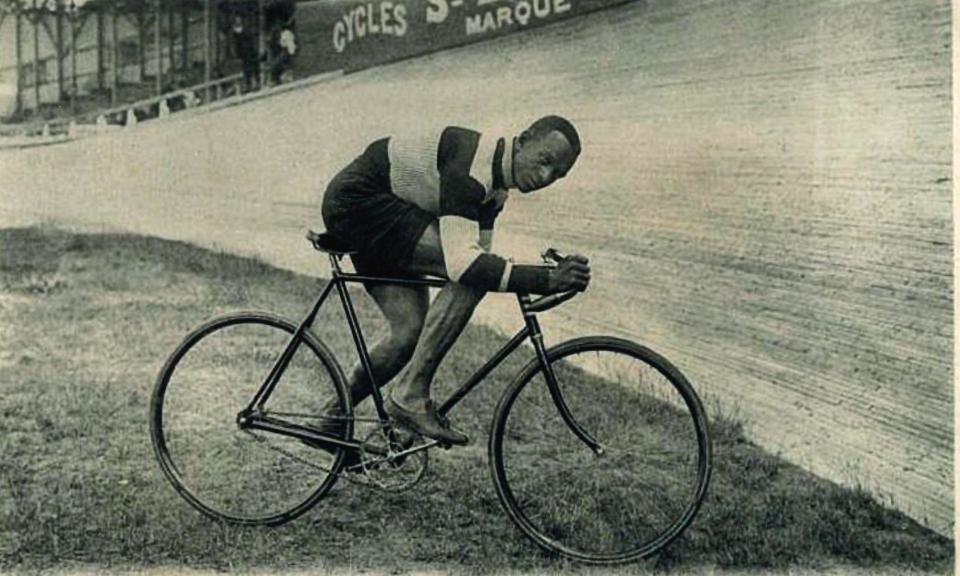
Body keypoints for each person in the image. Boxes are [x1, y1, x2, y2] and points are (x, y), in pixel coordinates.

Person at [319, 116, 590, 446]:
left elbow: (481, 258)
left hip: (387, 208)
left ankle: (332, 417)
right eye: (544, 161)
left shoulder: (496, 193)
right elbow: (468, 267)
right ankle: (409, 397)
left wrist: (539, 280)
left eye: (558, 175)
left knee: (408, 335)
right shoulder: (475, 166)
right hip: (358, 203)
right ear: (524, 139)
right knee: (472, 276)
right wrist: (544, 279)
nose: (545, 177)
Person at [230, 16, 259, 93]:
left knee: (253, 68)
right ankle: (248, 85)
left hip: (249, 52)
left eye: (239, 20)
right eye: (237, 20)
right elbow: (235, 44)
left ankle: (255, 84)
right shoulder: (234, 32)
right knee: (246, 70)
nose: (238, 21)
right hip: (243, 54)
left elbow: (250, 40)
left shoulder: (246, 30)